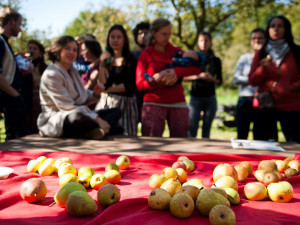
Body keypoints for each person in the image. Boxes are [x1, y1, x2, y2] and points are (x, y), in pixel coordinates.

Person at [38, 36, 122, 140]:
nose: (72, 52)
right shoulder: (51, 74)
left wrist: (95, 94)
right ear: (58, 50)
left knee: (116, 111)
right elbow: (67, 107)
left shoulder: (73, 70)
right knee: (77, 118)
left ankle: (91, 131)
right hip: (60, 118)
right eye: (67, 48)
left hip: (79, 111)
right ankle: (98, 129)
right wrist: (98, 119)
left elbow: (81, 96)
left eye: (75, 50)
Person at [136, 18, 201, 137]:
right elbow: (140, 84)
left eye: (169, 34)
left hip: (177, 102)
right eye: (163, 34)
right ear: (154, 33)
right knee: (151, 144)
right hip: (153, 103)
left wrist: (176, 72)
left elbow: (196, 68)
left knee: (180, 143)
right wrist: (157, 80)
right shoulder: (146, 54)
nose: (167, 37)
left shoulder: (177, 52)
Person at [249, 15, 300, 143]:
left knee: (295, 142)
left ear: (286, 29)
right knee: (263, 145)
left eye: (280, 26)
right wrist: (262, 69)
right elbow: (252, 80)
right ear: (268, 30)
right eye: (272, 26)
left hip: (291, 106)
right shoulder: (261, 53)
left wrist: (293, 87)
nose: (275, 29)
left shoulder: (296, 51)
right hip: (265, 106)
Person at [96, 25, 138, 136]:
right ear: (108, 39)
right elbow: (102, 84)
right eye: (112, 37)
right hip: (106, 104)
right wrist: (101, 64)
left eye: (119, 37)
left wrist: (107, 90)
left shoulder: (131, 59)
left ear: (124, 40)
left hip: (127, 106)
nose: (115, 40)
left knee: (127, 135)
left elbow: (129, 86)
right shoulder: (107, 60)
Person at [184, 32, 222, 138]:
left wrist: (211, 79)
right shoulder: (192, 59)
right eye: (201, 40)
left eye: (206, 40)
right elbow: (184, 77)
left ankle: (204, 154)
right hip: (195, 97)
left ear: (210, 42)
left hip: (210, 98)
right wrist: (198, 76)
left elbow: (219, 81)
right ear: (198, 42)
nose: (204, 43)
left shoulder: (216, 60)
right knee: (192, 129)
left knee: (206, 130)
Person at [0, 7, 31, 140]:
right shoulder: (0, 42)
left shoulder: (5, 43)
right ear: (11, 22)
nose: (20, 29)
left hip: (11, 97)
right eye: (19, 24)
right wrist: (14, 94)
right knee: (17, 137)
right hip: (9, 98)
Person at [233, 28, 266, 140]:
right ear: (251, 41)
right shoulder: (244, 58)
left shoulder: (269, 59)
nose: (257, 41)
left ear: (265, 40)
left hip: (261, 101)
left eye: (260, 38)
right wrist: (254, 79)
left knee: (260, 135)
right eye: (254, 38)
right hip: (244, 100)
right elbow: (236, 79)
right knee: (242, 134)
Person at [23, 40, 47, 134]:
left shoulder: (45, 68)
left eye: (35, 48)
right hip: (27, 99)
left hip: (41, 100)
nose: (31, 51)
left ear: (40, 52)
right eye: (30, 48)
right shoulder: (23, 65)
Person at [132, 22, 150, 123]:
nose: (143, 36)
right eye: (140, 33)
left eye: (146, 33)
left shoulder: (155, 55)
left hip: (150, 99)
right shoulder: (132, 56)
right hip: (134, 98)